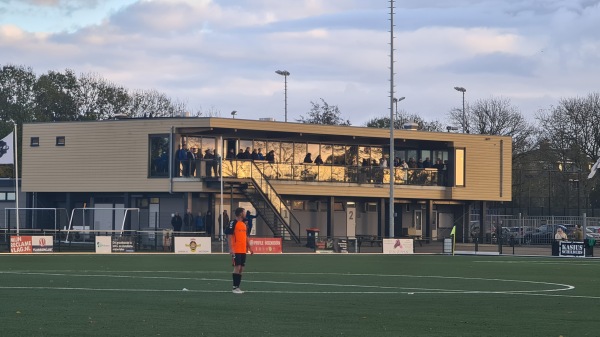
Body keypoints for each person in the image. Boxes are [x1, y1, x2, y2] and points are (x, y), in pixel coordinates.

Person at [225, 207, 253, 294]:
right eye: (244, 212)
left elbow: (246, 237)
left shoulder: (244, 224)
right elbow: (229, 236)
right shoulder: (233, 223)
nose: (245, 214)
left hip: (243, 250)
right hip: (236, 249)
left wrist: (250, 247)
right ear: (241, 213)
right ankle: (235, 287)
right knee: (237, 267)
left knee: (241, 268)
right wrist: (230, 248)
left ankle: (238, 287)